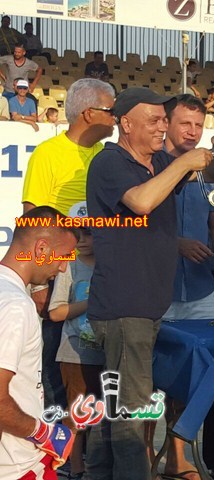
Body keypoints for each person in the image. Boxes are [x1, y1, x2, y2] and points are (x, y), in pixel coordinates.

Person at [84, 87, 214, 479]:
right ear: (126, 124)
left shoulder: (159, 160)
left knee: (116, 407)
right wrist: (182, 165)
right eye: (155, 120)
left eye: (165, 119)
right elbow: (142, 202)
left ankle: (98, 473)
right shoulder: (110, 163)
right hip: (124, 306)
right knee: (131, 414)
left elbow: (209, 172)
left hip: (145, 306)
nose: (163, 127)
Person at [21, 78, 116, 413]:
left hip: (100, 277)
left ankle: (88, 448)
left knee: (94, 373)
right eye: (111, 110)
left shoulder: (108, 157)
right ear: (89, 113)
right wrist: (36, 282)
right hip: (59, 278)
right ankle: (57, 447)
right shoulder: (48, 154)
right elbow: (33, 219)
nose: (116, 117)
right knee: (55, 368)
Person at [161, 94, 214, 480]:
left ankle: (178, 457)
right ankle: (142, 457)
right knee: (151, 382)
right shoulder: (150, 163)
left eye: (197, 124)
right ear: (167, 123)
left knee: (194, 381)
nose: (192, 132)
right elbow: (132, 225)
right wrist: (176, 244)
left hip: (202, 292)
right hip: (157, 292)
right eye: (184, 123)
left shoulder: (209, 167)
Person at [0, 206, 77, 479]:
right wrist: (44, 433)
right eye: (64, 256)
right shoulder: (16, 306)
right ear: (42, 248)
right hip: (17, 467)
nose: (64, 266)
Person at [48, 206, 103, 479]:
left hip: (106, 353)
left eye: (89, 233)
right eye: (77, 233)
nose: (82, 239)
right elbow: (56, 312)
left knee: (102, 416)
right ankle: (76, 469)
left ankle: (96, 467)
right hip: (74, 352)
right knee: (75, 415)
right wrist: (89, 303)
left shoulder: (111, 265)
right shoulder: (68, 266)